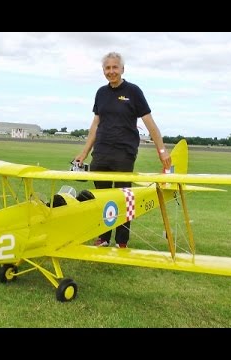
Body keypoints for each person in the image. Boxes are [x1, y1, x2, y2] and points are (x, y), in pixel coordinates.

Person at [74, 51, 172, 248]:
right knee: (100, 198)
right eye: (107, 68)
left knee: (122, 197)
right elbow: (95, 124)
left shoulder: (134, 91)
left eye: (114, 67)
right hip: (101, 152)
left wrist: (162, 152)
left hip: (124, 153)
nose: (111, 72)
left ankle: (121, 241)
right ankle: (102, 237)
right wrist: (83, 153)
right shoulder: (101, 93)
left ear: (122, 69)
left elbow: (150, 123)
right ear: (103, 70)